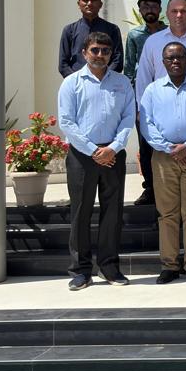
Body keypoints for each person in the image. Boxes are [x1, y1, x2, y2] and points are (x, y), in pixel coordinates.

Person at [56, 31, 134, 290]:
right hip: (82, 156)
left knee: (113, 213)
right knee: (81, 212)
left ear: (111, 54)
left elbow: (128, 118)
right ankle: (80, 270)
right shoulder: (71, 83)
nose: (100, 55)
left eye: (105, 51)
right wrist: (93, 150)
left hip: (113, 155)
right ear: (84, 53)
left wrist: (113, 148)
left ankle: (109, 267)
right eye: (95, 50)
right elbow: (67, 122)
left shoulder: (122, 83)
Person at [140, 42, 186, 284]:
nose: (175, 61)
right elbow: (146, 124)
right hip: (164, 157)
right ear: (163, 62)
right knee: (167, 213)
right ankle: (169, 265)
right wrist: (168, 147)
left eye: (180, 57)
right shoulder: (152, 90)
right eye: (170, 58)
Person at [123, 0, 164, 205]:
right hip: (143, 97)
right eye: (145, 6)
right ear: (140, 11)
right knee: (146, 143)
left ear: (160, 9)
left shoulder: (168, 32)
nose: (150, 10)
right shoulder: (135, 35)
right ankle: (150, 188)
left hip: (166, 95)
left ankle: (168, 186)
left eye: (153, 6)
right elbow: (129, 68)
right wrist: (133, 100)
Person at [58, 0, 123, 76]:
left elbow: (117, 60)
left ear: (100, 4)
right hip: (77, 82)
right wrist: (76, 80)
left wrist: (104, 78)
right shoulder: (69, 30)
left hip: (106, 81)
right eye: (85, 0)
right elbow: (63, 64)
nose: (89, 3)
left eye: (93, 0)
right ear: (79, 4)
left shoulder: (112, 29)